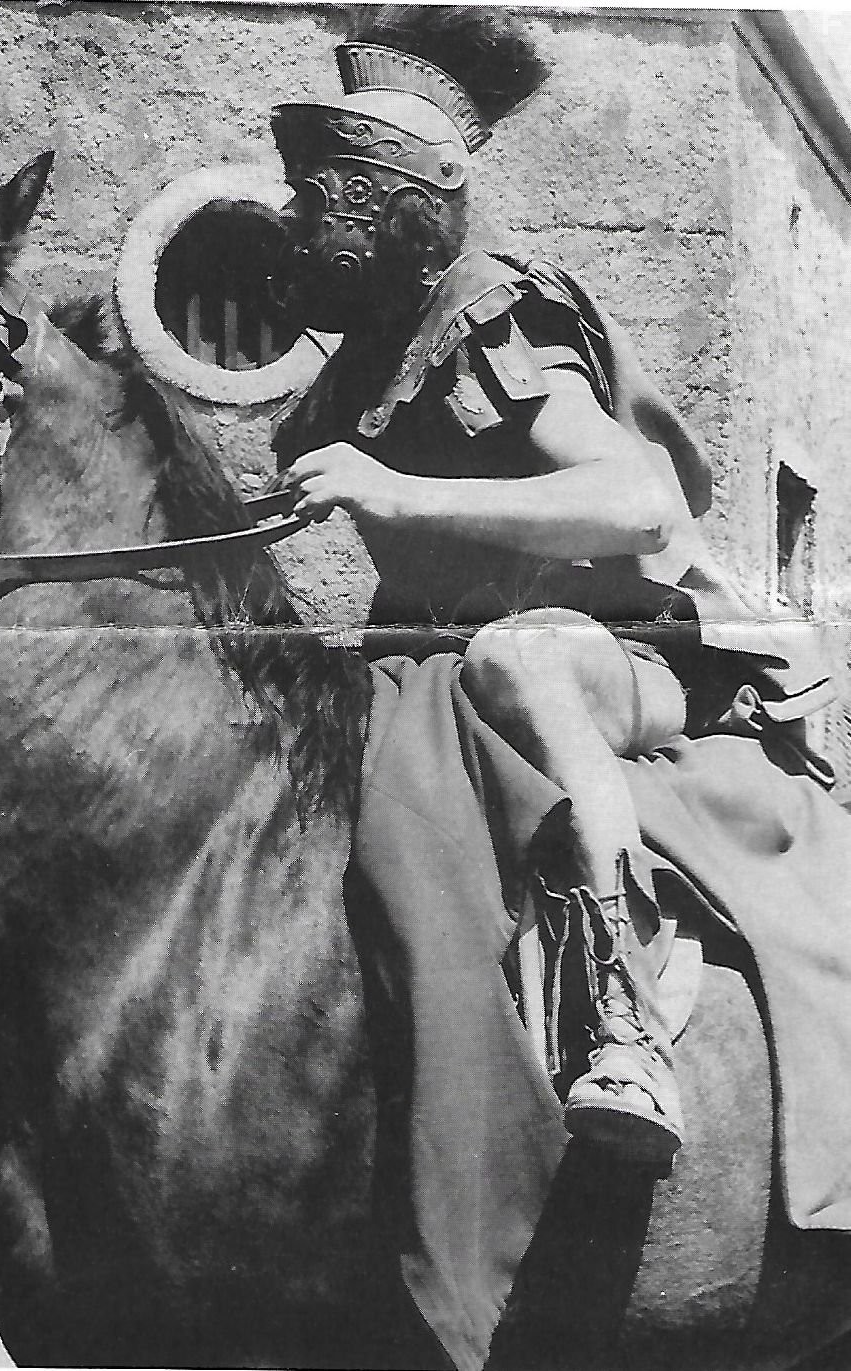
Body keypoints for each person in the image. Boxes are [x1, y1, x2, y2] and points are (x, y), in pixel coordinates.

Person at [267, 6, 835, 1168]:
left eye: (324, 190)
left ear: (401, 205)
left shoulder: (488, 307)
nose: (299, 216)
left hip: (632, 652)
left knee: (514, 657)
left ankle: (625, 1015)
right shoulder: (364, 363)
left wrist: (395, 493)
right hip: (448, 656)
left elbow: (637, 505)